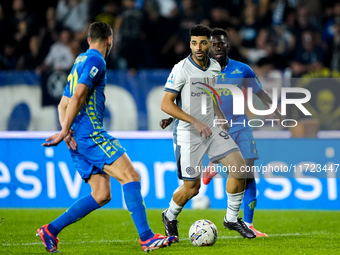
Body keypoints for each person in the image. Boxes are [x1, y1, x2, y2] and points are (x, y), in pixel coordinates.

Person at [36, 21, 177, 253]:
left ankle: (50, 230)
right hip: (90, 134)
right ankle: (146, 237)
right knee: (131, 175)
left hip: (77, 137)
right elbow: (79, 95)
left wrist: (67, 129)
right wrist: (64, 132)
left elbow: (63, 103)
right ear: (110, 40)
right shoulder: (96, 61)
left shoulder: (80, 60)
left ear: (88, 39)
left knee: (101, 194)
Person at [160, 24, 256, 242]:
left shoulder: (214, 66)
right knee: (192, 188)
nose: (199, 47)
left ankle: (231, 219)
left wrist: (220, 114)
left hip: (211, 129)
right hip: (188, 133)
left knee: (240, 168)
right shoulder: (181, 68)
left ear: (209, 44)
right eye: (194, 43)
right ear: (190, 44)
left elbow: (208, 95)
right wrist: (191, 119)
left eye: (203, 42)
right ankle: (170, 215)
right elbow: (166, 103)